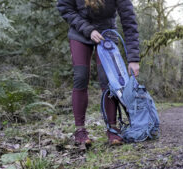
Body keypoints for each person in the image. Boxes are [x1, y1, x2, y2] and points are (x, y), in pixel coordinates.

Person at [57, 0, 140, 146]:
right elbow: (66, 8)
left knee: (108, 80)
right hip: (80, 32)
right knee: (81, 76)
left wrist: (133, 59)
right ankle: (80, 130)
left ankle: (112, 128)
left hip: (107, 32)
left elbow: (129, 20)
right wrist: (88, 30)